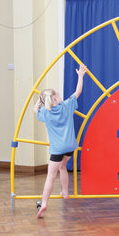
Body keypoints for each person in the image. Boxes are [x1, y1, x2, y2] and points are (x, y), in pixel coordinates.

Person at [33, 64, 87, 217]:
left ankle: (44, 203)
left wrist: (39, 101)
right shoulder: (66, 106)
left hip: (57, 149)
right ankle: (65, 192)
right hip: (70, 147)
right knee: (63, 166)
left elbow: (35, 110)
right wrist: (80, 76)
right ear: (56, 98)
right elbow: (78, 91)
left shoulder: (45, 113)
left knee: (51, 176)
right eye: (58, 94)